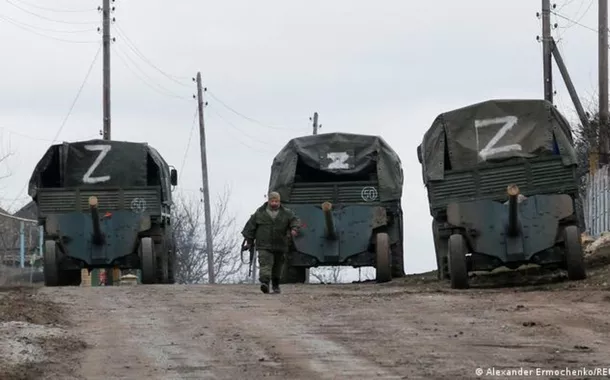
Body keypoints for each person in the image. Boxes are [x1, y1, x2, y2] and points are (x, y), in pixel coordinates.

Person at [241, 191, 300, 294]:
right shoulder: (260, 213)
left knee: (278, 266)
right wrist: (249, 241)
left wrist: (294, 229)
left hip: (280, 244)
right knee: (265, 264)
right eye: (272, 201)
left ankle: (276, 285)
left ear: (279, 201)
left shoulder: (286, 213)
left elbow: (295, 220)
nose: (274, 203)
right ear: (268, 201)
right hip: (264, 244)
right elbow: (250, 227)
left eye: (276, 201)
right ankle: (265, 283)